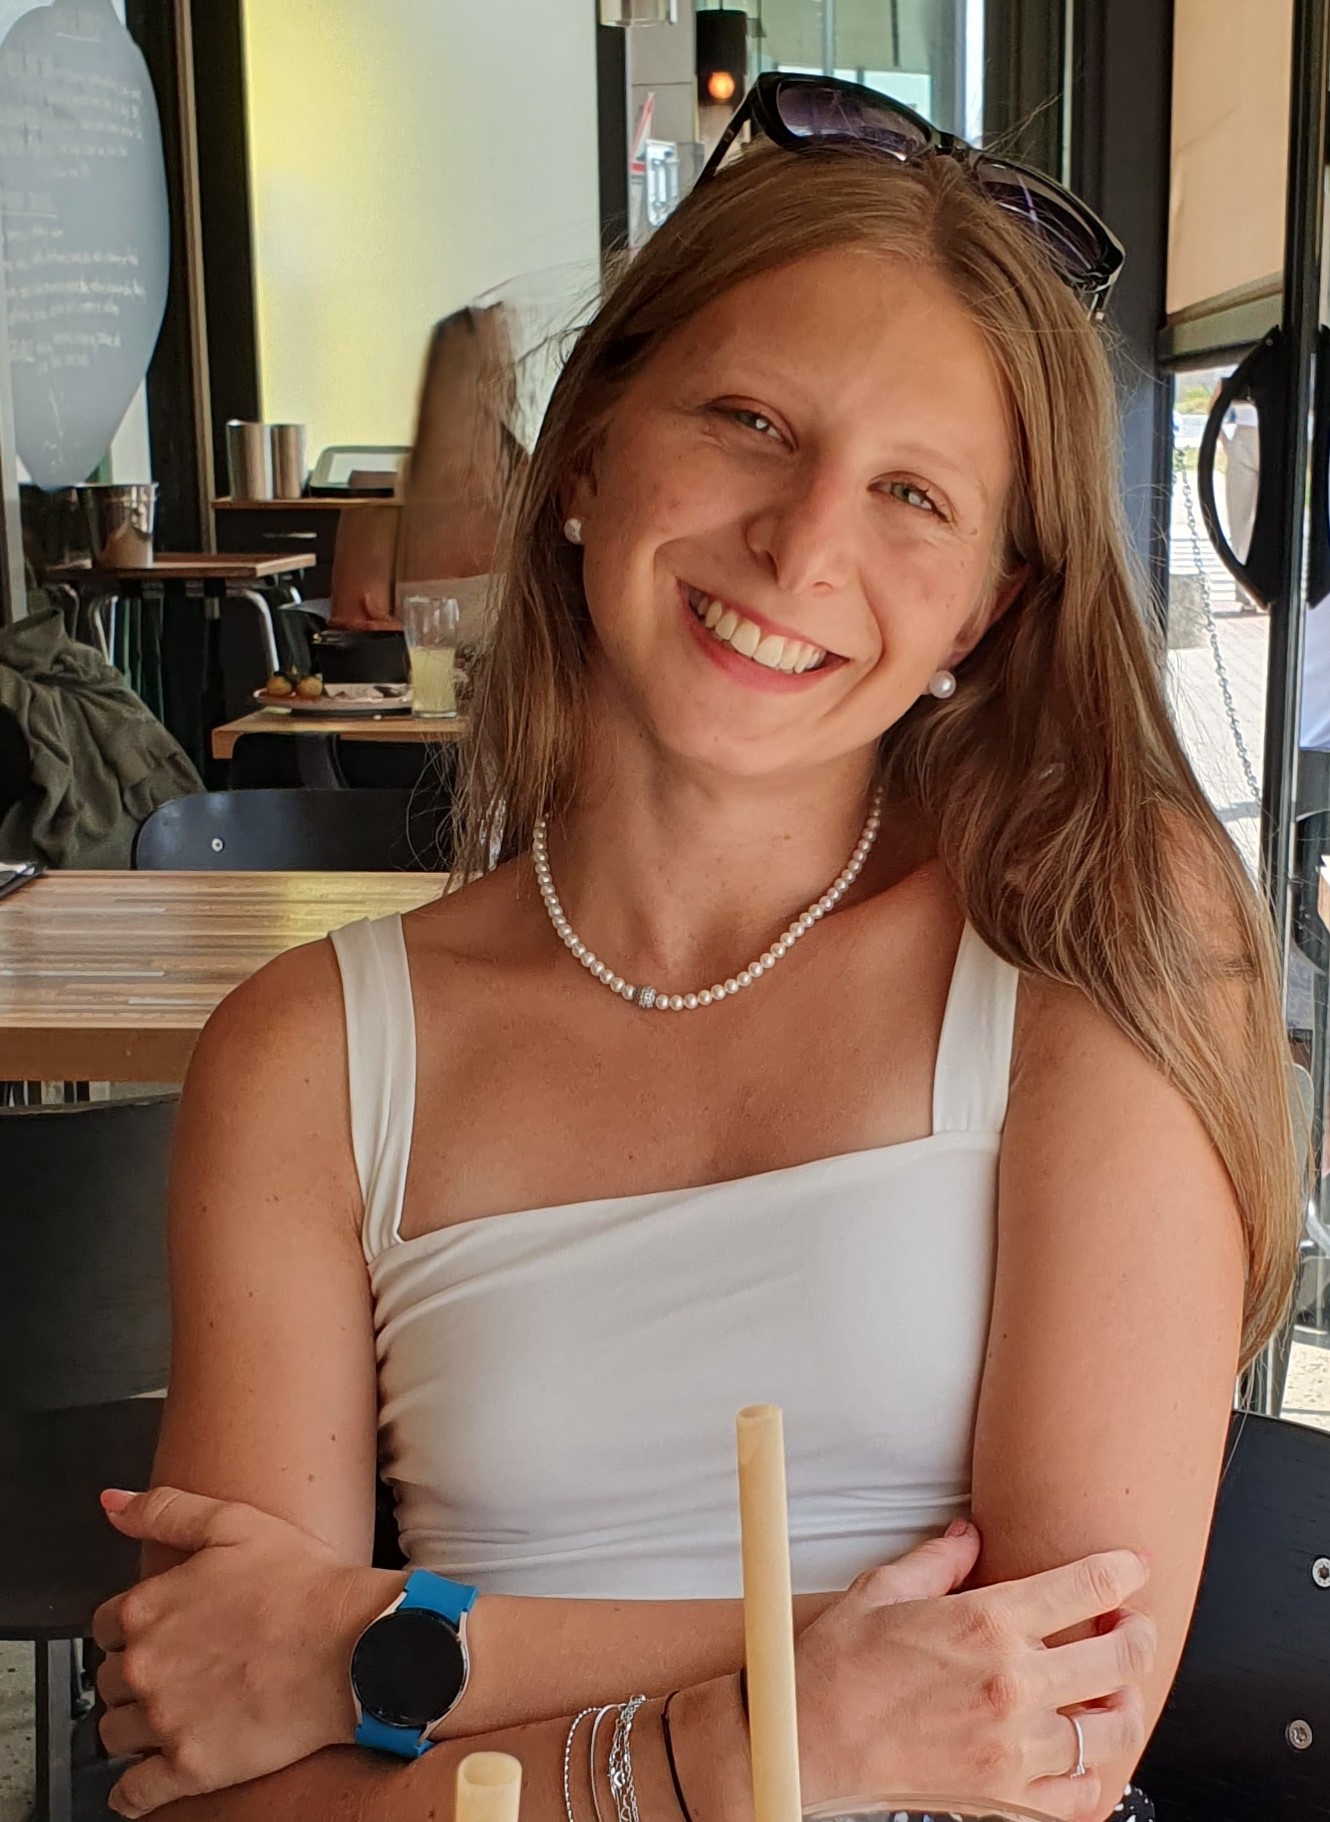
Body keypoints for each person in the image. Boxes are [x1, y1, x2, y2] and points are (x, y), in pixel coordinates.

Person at [90, 76, 1299, 1822]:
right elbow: (222, 1779)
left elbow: (1062, 1716)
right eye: (748, 421)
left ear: (987, 608)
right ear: (587, 451)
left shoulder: (1092, 927)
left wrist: (379, 1646)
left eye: (913, 493)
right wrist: (739, 1742)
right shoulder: (310, 1052)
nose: (804, 543)